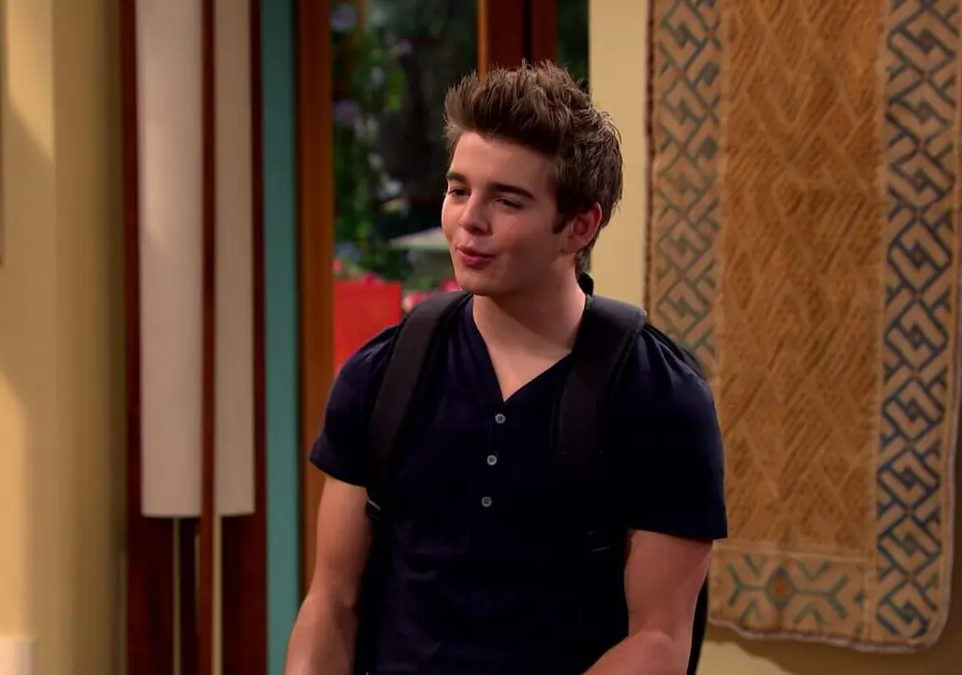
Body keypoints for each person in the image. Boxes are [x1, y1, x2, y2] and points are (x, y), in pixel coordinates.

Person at [284, 62, 727, 675]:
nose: (470, 219)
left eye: (507, 200)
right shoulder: (385, 373)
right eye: (459, 190)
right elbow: (332, 601)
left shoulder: (659, 396)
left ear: (579, 226)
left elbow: (659, 638)